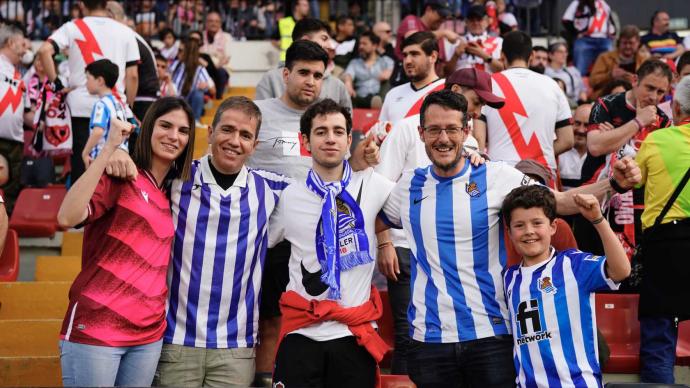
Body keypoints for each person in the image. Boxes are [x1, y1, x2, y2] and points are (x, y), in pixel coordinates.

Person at [379, 89, 641, 388]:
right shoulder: (408, 185)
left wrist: (614, 184)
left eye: (452, 129)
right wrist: (385, 241)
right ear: (421, 133)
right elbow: (371, 217)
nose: (443, 138)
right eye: (434, 130)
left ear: (466, 131)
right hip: (429, 338)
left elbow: (561, 201)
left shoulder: (497, 175)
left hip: (492, 335)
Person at [249, 40, 379, 383]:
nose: (310, 80)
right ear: (285, 74)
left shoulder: (332, 114)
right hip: (280, 223)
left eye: (318, 75)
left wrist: (387, 240)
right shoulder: (258, 113)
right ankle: (265, 376)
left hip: (330, 228)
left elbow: (359, 182)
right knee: (269, 315)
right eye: (303, 73)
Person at [55, 97, 194, 387]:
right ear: (147, 129)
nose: (173, 136)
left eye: (183, 131)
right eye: (165, 125)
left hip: (148, 334)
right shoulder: (120, 174)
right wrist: (108, 150)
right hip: (97, 325)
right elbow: (67, 217)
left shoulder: (172, 193)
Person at [375, 69, 504, 375]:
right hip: (408, 251)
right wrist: (385, 243)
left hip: (456, 253)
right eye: (476, 101)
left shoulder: (469, 137)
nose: (479, 110)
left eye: (481, 107)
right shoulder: (407, 129)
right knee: (409, 334)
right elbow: (380, 187)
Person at [269, 98, 394, 388]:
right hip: (301, 333)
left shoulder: (373, 185)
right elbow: (261, 241)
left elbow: (419, 199)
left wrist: (473, 159)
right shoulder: (288, 197)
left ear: (350, 140)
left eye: (338, 132)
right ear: (306, 141)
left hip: (353, 334)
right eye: (321, 131)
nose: (330, 138)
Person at [502, 185, 630, 387]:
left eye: (537, 223)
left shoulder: (573, 264)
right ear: (509, 232)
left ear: (553, 226)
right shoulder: (508, 278)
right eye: (519, 225)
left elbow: (621, 271)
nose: (529, 232)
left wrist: (598, 220)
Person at [38, 0, 140, 184]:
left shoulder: (72, 27)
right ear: (106, 4)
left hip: (80, 108)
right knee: (116, 171)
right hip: (116, 110)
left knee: (82, 167)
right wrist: (128, 105)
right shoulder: (125, 31)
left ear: (82, 5)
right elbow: (133, 76)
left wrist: (57, 83)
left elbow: (45, 50)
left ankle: (81, 211)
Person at [579, 59, 672, 258]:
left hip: (637, 204)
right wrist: (638, 123)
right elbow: (595, 146)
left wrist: (615, 138)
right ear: (635, 80)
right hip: (597, 195)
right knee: (594, 265)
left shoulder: (663, 121)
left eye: (661, 92)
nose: (654, 97)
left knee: (630, 273)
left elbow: (653, 165)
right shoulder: (606, 104)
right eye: (650, 88)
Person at [635, 75, 690, 384]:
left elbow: (632, 180)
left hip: (665, 245)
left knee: (658, 332)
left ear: (677, 107)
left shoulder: (657, 140)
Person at [475, 31, 574, 187]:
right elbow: (567, 140)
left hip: (499, 176)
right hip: (542, 175)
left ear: (502, 55)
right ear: (532, 56)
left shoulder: (488, 84)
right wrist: (542, 152)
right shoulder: (552, 86)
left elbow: (479, 140)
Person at [256, 18, 352, 111]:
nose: (329, 45)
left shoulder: (338, 86)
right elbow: (260, 120)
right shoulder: (270, 80)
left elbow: (347, 124)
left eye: (317, 76)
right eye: (324, 39)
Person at [106, 1, 160, 140]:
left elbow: (132, 76)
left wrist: (127, 107)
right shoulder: (129, 35)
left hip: (142, 100)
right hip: (145, 97)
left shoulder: (125, 36)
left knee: (136, 150)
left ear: (110, 15)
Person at [379, 31, 446, 126]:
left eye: (414, 54)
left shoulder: (447, 91)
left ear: (433, 57)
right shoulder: (392, 94)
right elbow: (381, 134)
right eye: (405, 55)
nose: (407, 61)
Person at [0, 24, 32, 214]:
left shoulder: (18, 75)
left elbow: (26, 113)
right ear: (11, 43)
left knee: (10, 196)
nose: (25, 50)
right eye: (22, 45)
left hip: (15, 142)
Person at [392, 0, 458, 86]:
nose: (443, 19)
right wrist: (443, 33)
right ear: (429, 10)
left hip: (430, 85)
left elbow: (443, 70)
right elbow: (413, 38)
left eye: (445, 17)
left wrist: (457, 54)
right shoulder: (411, 20)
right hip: (405, 81)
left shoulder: (437, 36)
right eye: (441, 15)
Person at [82, 59, 128, 169]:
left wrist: (85, 153)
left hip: (102, 160)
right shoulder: (119, 103)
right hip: (120, 158)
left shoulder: (101, 105)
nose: (86, 83)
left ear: (100, 81)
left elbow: (98, 131)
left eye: (88, 78)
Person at [444, 5, 505, 75]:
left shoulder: (498, 42)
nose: (475, 23)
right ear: (466, 22)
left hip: (489, 84)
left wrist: (484, 56)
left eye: (479, 19)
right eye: (472, 20)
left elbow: (503, 70)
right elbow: (446, 73)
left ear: (487, 21)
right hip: (462, 84)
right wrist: (456, 55)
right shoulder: (456, 42)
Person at [589, 25, 648, 99]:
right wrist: (610, 75)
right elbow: (592, 81)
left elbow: (648, 83)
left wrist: (630, 78)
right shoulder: (604, 57)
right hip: (606, 95)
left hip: (635, 96)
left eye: (631, 43)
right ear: (619, 42)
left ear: (638, 43)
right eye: (624, 43)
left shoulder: (643, 60)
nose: (627, 46)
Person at [562, 0, 616, 76]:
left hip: (604, 39)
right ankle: (578, 82)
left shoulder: (603, 4)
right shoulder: (578, 3)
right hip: (585, 39)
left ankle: (609, 81)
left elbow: (610, 21)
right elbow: (566, 20)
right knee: (580, 64)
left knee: (610, 60)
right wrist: (576, 33)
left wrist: (612, 33)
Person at [342, 31, 394, 109]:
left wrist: (389, 73)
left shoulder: (385, 61)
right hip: (360, 97)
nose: (360, 47)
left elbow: (390, 72)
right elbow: (348, 75)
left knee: (386, 85)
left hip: (379, 95)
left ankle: (378, 103)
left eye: (364, 44)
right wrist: (348, 83)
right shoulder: (354, 63)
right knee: (351, 95)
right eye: (360, 44)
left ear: (374, 46)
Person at [170, 37, 215, 122]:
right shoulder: (175, 65)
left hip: (187, 103)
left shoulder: (199, 69)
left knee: (198, 93)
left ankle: (195, 121)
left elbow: (213, 90)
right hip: (173, 101)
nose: (177, 53)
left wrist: (206, 86)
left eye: (180, 50)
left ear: (188, 52)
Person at [559, 103, 592, 190]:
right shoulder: (558, 151)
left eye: (586, 125)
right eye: (577, 123)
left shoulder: (602, 155)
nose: (581, 130)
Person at [201, 11, 231, 99]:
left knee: (221, 72)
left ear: (220, 24)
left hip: (220, 69)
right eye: (211, 21)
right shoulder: (201, 36)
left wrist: (216, 65)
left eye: (216, 21)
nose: (213, 24)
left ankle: (218, 99)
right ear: (206, 23)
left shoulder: (227, 37)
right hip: (205, 68)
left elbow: (227, 57)